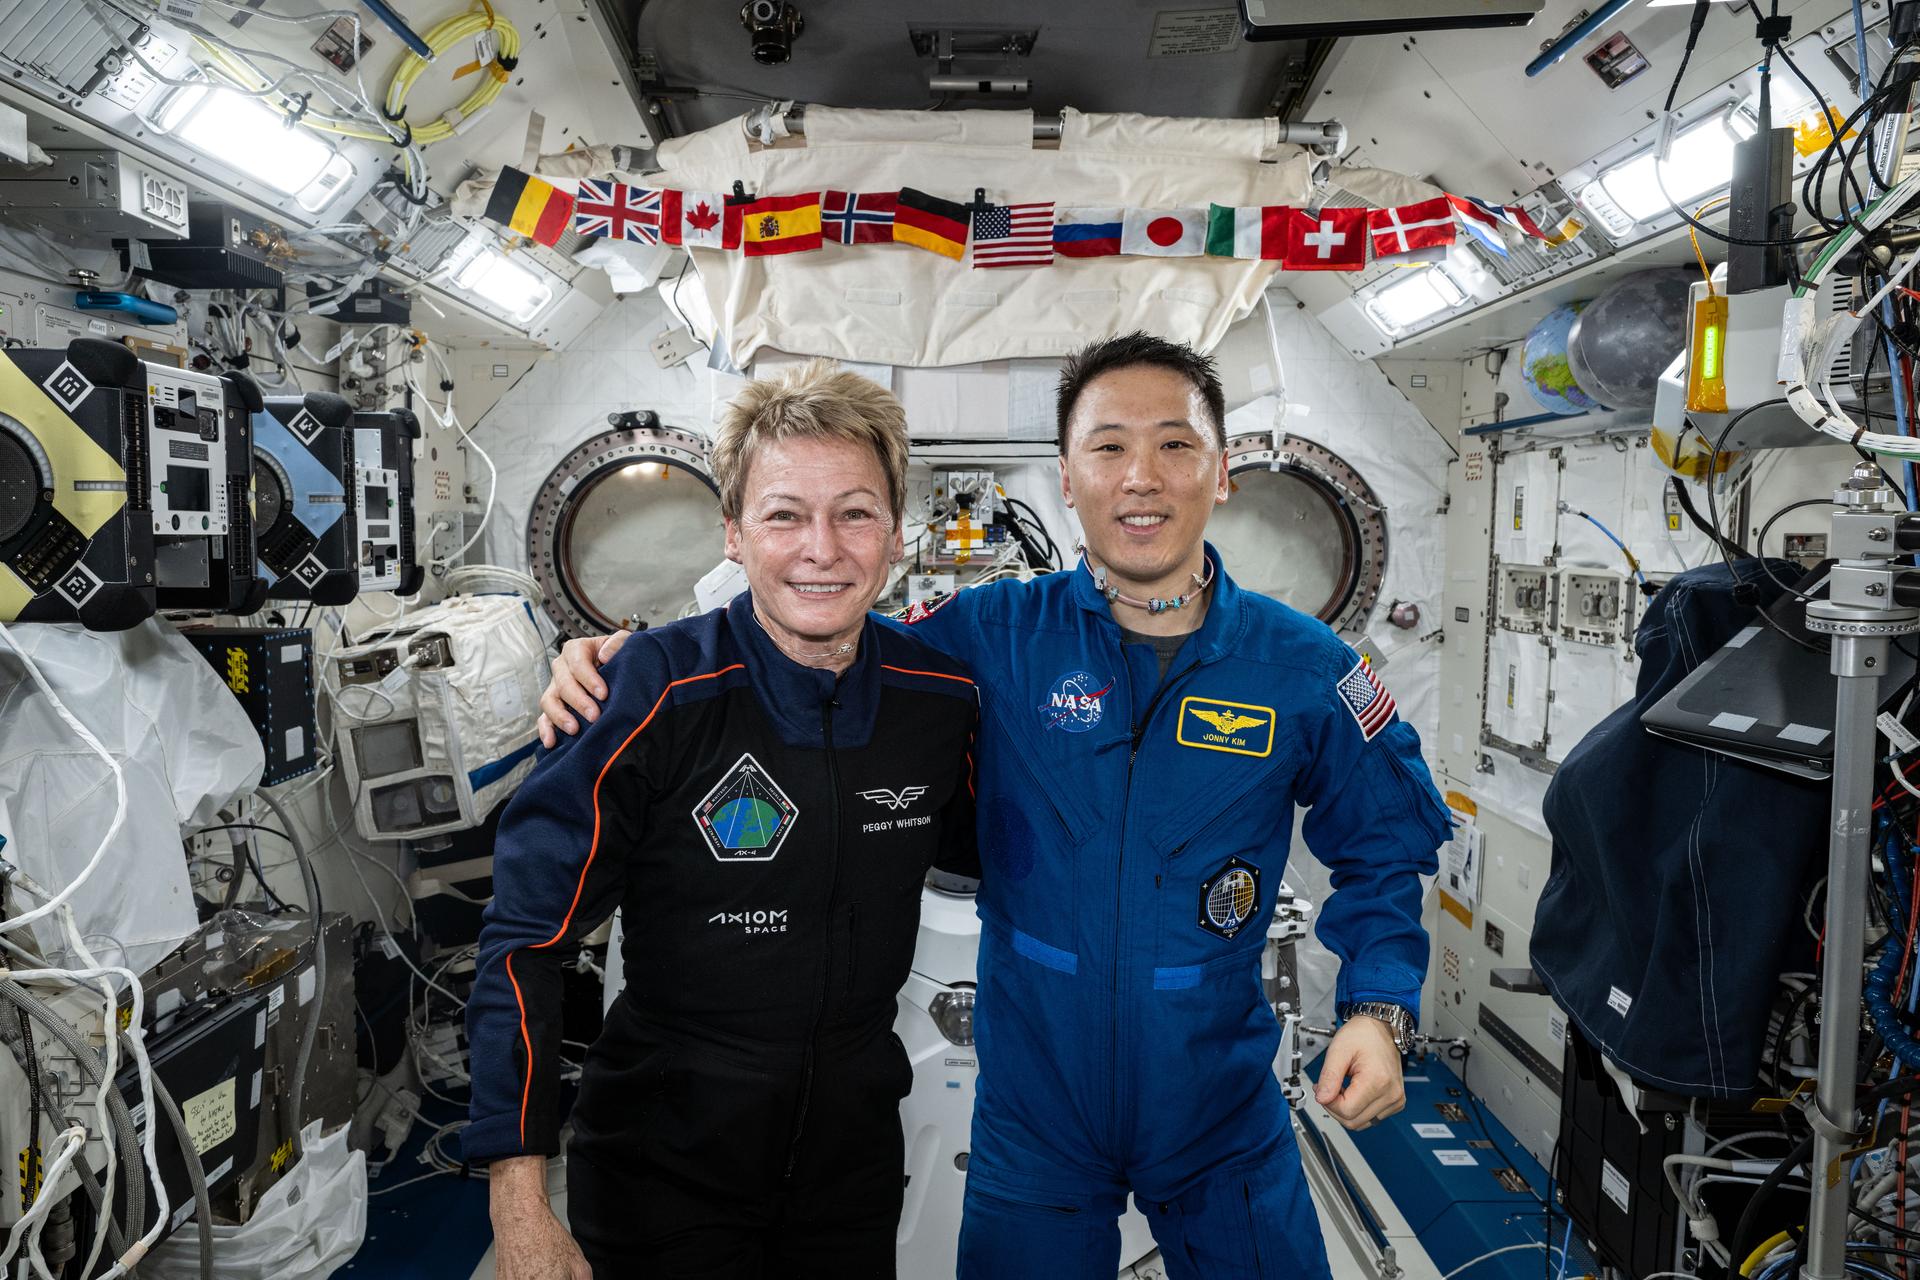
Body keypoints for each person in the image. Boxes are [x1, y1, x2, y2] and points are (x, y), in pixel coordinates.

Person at [537, 333, 1453, 1279]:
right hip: (1036, 1119)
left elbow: (1385, 845)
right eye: (1108, 447)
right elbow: (814, 628)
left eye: (1176, 445)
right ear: (1067, 477)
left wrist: (1379, 1007)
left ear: (1222, 473)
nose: (1142, 477)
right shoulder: (993, 633)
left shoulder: (1309, 668)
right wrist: (626, 659)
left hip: (1220, 1111)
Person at [467, 360, 980, 1279]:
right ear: (734, 535)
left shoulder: (938, 701)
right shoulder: (647, 692)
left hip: (852, 1155)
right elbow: (525, 943)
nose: (820, 548)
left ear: (896, 534)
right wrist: (521, 1206)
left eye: (854, 512)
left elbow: (1020, 858)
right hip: (665, 1153)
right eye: (784, 514)